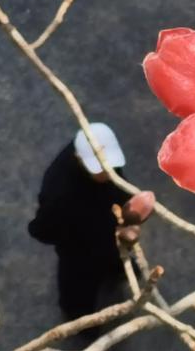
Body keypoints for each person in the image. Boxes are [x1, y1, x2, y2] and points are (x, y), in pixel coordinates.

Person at [28, 123, 131, 321]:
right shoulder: (59, 192)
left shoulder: (105, 161)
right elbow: (43, 230)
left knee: (114, 255)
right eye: (100, 169)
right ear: (78, 158)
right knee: (78, 290)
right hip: (79, 251)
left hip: (108, 232)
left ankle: (117, 268)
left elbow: (119, 184)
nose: (107, 173)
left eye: (110, 166)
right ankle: (81, 321)